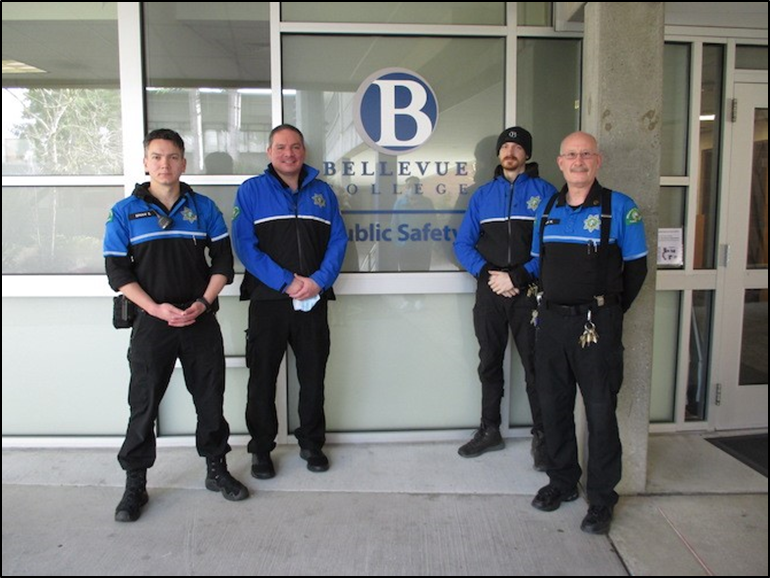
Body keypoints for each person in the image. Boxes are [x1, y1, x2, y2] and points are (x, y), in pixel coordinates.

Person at [103, 128, 249, 523]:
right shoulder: (124, 212)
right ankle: (135, 484)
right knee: (144, 404)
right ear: (145, 162)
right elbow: (117, 272)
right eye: (156, 156)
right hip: (153, 323)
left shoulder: (203, 208)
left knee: (210, 400)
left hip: (199, 320)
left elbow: (222, 264)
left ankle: (216, 470)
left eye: (172, 157)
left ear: (183, 163)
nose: (164, 164)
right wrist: (155, 308)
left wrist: (202, 303)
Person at [529, 131, 648, 535]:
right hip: (551, 325)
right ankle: (561, 482)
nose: (578, 161)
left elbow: (636, 271)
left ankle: (601, 499)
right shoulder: (547, 208)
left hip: (597, 327)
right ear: (559, 163)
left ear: (597, 161)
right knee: (554, 407)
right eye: (570, 155)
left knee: (599, 412)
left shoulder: (621, 209)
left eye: (585, 154)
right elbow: (536, 265)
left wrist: (607, 312)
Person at [232, 124, 347, 479]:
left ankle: (312, 444)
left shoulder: (323, 194)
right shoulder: (250, 191)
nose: (289, 153)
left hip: (313, 300)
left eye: (295, 147)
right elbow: (245, 246)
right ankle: (261, 450)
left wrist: (317, 281)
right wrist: (286, 281)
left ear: (304, 152)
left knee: (313, 377)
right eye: (281, 147)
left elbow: (338, 242)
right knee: (262, 379)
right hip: (268, 301)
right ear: (269, 152)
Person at [454, 126, 557, 469]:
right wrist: (490, 276)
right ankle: (489, 429)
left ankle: (542, 436)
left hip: (529, 290)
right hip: (490, 291)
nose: (510, 151)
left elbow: (552, 247)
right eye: (505, 146)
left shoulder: (546, 193)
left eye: (517, 146)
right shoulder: (482, 196)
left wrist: (518, 276)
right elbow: (462, 244)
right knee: (489, 363)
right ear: (498, 155)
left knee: (535, 366)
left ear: (526, 154)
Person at [391, 176, 435, 272]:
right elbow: (394, 226)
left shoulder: (427, 203)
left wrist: (430, 244)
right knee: (406, 278)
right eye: (409, 186)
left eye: (415, 185)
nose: (412, 188)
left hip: (423, 249)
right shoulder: (399, 204)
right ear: (405, 188)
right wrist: (398, 244)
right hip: (405, 249)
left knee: (423, 277)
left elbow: (433, 225)